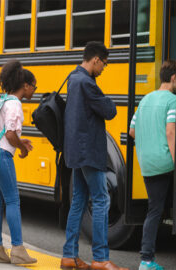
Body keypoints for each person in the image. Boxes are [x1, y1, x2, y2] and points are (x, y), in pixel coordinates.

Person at [61, 41, 125, 270]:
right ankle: (100, 258)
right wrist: (108, 100)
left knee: (78, 201)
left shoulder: (73, 79)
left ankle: (69, 255)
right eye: (104, 65)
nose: (103, 69)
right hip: (89, 151)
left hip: (76, 151)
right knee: (101, 200)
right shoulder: (87, 83)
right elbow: (109, 110)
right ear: (95, 59)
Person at [0, 59, 37, 265]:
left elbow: (6, 132)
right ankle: (18, 249)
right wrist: (21, 148)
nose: (34, 91)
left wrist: (21, 142)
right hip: (1, 156)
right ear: (26, 86)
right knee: (13, 201)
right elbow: (11, 134)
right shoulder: (15, 104)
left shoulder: (3, 100)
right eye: (34, 87)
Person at [129, 60, 176, 270]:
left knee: (155, 207)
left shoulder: (146, 99)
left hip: (146, 161)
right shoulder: (172, 100)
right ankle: (146, 260)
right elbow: (170, 132)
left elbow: (132, 131)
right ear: (174, 78)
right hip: (164, 162)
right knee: (155, 210)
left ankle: (148, 258)